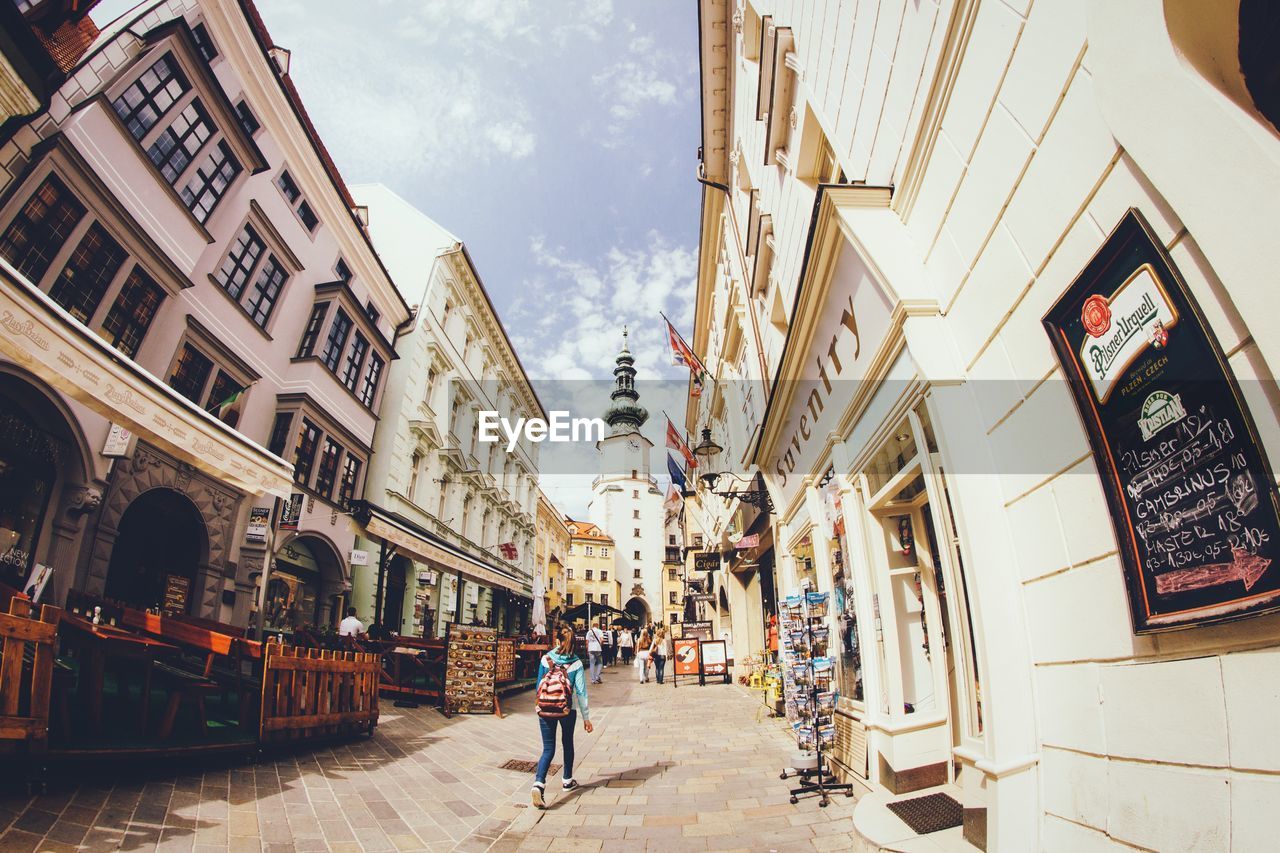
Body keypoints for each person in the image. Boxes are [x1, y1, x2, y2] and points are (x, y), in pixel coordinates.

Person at [533, 624, 593, 808]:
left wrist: (539, 705)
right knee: (567, 743)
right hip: (568, 709)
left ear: (557, 640)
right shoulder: (576, 663)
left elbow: (538, 686)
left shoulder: (545, 659)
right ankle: (567, 779)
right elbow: (581, 693)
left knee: (548, 749)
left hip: (545, 708)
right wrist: (586, 718)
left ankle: (539, 784)